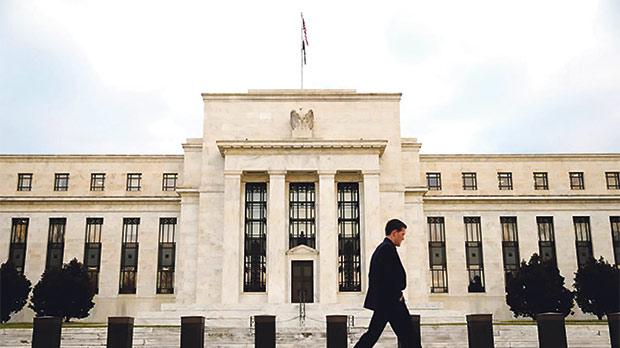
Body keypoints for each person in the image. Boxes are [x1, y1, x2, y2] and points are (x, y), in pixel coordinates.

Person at [354, 218, 418, 348]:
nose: (403, 238)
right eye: (402, 234)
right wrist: (397, 295)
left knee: (373, 335)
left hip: (385, 302)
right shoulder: (387, 249)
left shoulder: (382, 249)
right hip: (392, 302)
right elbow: (389, 277)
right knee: (409, 337)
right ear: (394, 233)